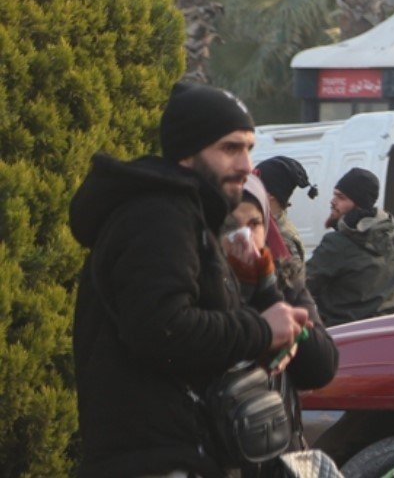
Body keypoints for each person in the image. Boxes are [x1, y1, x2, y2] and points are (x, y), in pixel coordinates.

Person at [70, 81, 312, 478]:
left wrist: (262, 327)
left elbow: (190, 341)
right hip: (154, 462)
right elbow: (161, 328)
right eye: (230, 148)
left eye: (249, 148)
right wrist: (261, 331)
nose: (246, 165)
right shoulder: (158, 215)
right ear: (187, 152)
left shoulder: (186, 214)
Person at [221, 175, 339, 476]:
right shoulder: (200, 287)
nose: (244, 237)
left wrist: (271, 297)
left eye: (254, 224)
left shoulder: (284, 278)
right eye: (230, 226)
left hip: (279, 454)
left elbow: (322, 367)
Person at [306, 167, 394, 326]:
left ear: (358, 204)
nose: (333, 201)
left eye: (341, 197)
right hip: (387, 330)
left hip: (344, 332)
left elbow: (303, 285)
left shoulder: (337, 244)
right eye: (334, 195)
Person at [255, 155, 317, 265]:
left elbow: (292, 280)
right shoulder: (263, 226)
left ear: (269, 195)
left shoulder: (283, 239)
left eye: (255, 186)